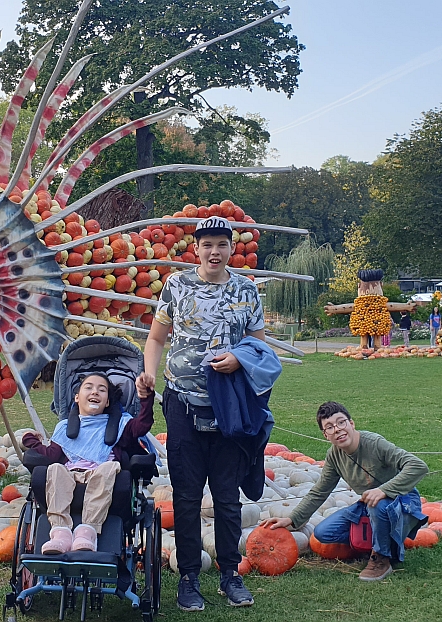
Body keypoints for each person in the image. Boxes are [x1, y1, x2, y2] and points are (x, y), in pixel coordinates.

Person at [138, 215, 263, 611]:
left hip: (230, 408)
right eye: (207, 245)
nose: (214, 252)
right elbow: (156, 339)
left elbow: (259, 348)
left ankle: (230, 574)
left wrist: (238, 360)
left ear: (231, 248)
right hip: (182, 403)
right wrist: (150, 375)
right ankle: (189, 578)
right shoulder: (177, 285)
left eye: (221, 245)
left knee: (227, 497)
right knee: (187, 497)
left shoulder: (247, 290)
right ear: (197, 249)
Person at [260, 401, 428, 582]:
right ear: (325, 435)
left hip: (403, 500)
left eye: (341, 422)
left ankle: (382, 558)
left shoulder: (375, 443)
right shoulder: (334, 455)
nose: (337, 429)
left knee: (378, 505)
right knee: (324, 533)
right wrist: (292, 519)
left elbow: (418, 466)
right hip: (370, 504)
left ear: (351, 423)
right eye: (330, 427)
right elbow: (320, 491)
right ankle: (381, 541)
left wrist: (383, 490)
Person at [20, 374, 155, 554]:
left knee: (110, 467)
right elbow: (50, 455)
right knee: (55, 469)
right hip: (70, 475)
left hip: (102, 476)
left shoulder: (121, 426)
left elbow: (143, 426)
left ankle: (87, 531)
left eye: (102, 389)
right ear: (77, 397)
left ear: (107, 402)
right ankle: (61, 533)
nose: (95, 392)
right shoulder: (64, 429)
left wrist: (146, 397)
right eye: (89, 387)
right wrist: (30, 440)